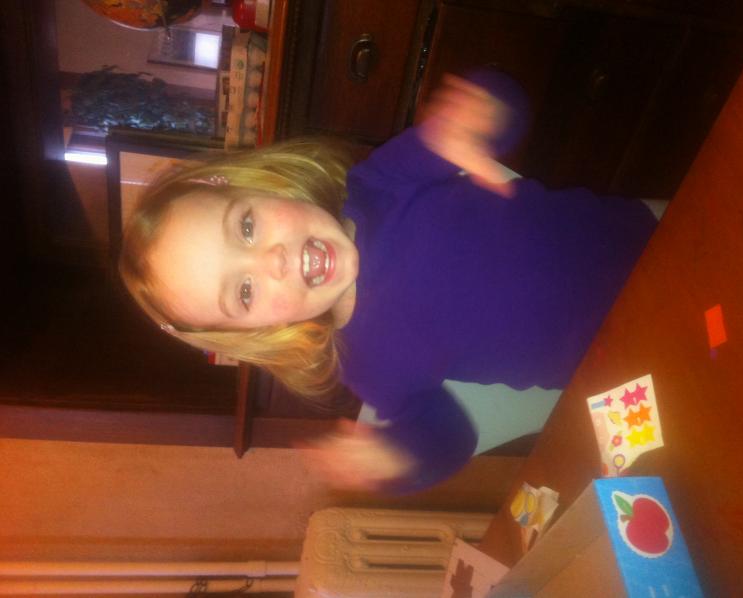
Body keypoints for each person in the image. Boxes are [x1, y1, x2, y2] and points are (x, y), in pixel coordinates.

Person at [119, 71, 658, 494]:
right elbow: (449, 438)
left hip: (649, 237)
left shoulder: (381, 182)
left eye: (246, 227)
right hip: (619, 356)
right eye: (243, 291)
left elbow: (503, 107)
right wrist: (397, 459)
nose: (273, 260)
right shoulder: (368, 367)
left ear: (261, 186)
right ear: (259, 332)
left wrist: (482, 110)